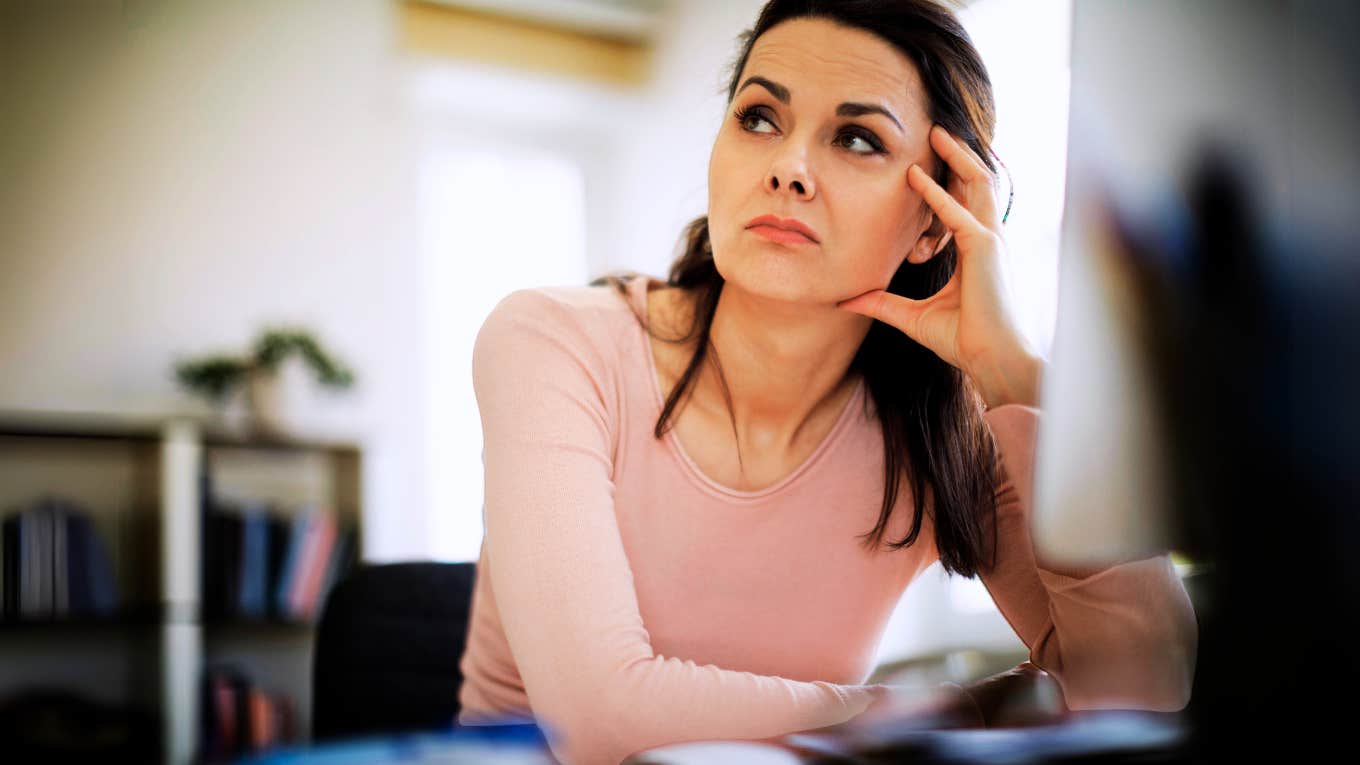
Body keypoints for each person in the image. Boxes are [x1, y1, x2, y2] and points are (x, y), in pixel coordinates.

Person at [455, 1, 1198, 763]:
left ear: (934, 222)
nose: (788, 167)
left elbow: (1143, 688)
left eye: (855, 138)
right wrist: (941, 712)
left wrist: (1010, 366)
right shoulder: (552, 341)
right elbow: (600, 717)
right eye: (759, 118)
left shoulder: (946, 426)